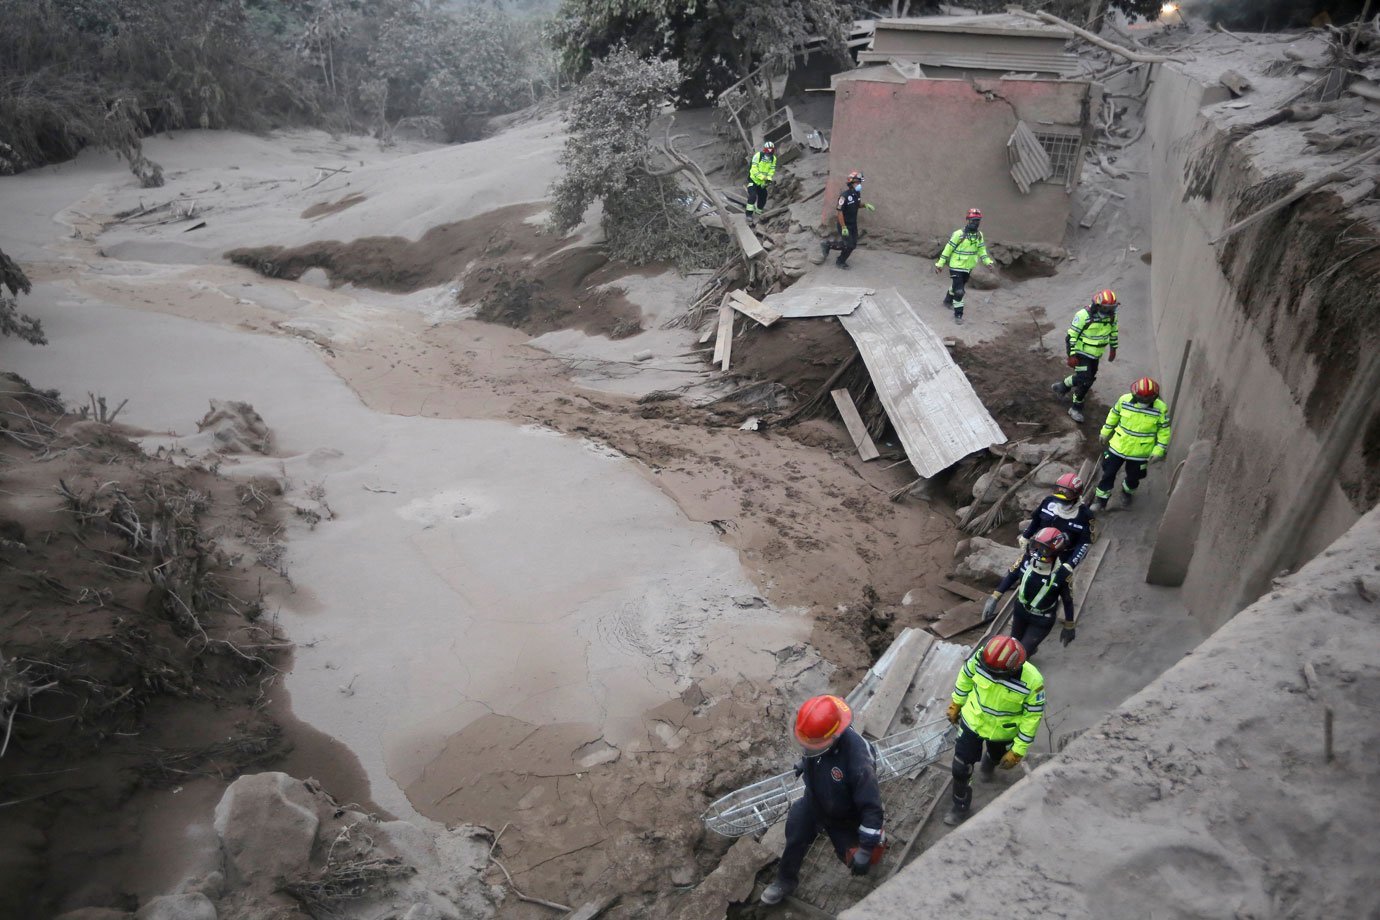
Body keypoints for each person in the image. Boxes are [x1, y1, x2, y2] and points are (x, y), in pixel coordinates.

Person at [761, 695, 885, 906]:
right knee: (795, 835)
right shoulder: (817, 735)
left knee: (860, 859)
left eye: (812, 745)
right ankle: (785, 880)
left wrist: (865, 848)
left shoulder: (859, 761)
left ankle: (875, 844)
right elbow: (812, 747)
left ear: (832, 738)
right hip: (814, 801)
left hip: (844, 816)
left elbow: (871, 807)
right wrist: (803, 761)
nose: (808, 748)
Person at [943, 636, 1044, 826]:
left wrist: (1018, 750)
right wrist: (957, 702)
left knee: (998, 758)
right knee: (960, 767)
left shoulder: (1033, 682)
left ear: (1013, 668)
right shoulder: (982, 658)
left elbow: (1033, 717)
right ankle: (960, 808)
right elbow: (966, 675)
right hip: (973, 721)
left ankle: (990, 761)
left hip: (1003, 732)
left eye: (995, 673)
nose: (990, 674)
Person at [981, 527, 1077, 657]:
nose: (1036, 551)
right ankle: (1030, 649)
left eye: (1043, 549)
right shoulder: (1025, 559)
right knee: (1013, 645)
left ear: (1055, 552)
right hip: (1020, 611)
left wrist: (1069, 625)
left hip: (1042, 619)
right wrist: (994, 597)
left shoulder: (1063, 574)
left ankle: (1028, 650)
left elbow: (1067, 600)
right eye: (1035, 545)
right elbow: (1011, 576)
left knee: (1020, 655)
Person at [1093, 376, 1173, 511]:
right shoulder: (1124, 400)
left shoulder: (1161, 408)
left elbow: (1164, 430)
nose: (1144, 402)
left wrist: (1159, 450)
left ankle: (1127, 492)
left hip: (1140, 453)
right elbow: (1114, 415)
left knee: (1134, 477)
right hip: (1118, 447)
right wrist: (1105, 432)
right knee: (1108, 473)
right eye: (1141, 399)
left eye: (1147, 400)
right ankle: (1101, 500)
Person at [1053, 289, 1120, 422]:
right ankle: (1076, 407)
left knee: (1087, 377)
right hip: (1081, 353)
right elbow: (1071, 336)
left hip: (1095, 355)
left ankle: (1062, 386)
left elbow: (1113, 332)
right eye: (1107, 308)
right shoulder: (1083, 315)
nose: (1110, 311)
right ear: (1098, 305)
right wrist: (1071, 355)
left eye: (1112, 307)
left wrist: (1113, 348)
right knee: (1085, 380)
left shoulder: (1112, 317)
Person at [1018, 472, 1096, 569]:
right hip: (1039, 548)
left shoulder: (1085, 515)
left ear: (1076, 495)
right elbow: (1036, 520)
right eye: (1059, 490)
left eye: (1067, 492)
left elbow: (1084, 543)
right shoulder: (1048, 502)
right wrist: (1025, 536)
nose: (1061, 494)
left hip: (1063, 556)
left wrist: (1070, 564)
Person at [933, 208, 995, 325]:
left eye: (977, 221)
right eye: (973, 220)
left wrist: (988, 262)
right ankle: (958, 315)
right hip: (956, 266)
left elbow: (982, 250)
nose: (975, 223)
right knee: (959, 291)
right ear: (968, 220)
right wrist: (940, 264)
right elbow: (948, 249)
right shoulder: (958, 234)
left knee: (956, 286)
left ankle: (947, 301)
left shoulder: (979, 235)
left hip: (968, 267)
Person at [820, 170, 873, 270]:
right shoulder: (844, 196)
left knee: (852, 245)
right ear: (851, 183)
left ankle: (829, 246)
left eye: (860, 182)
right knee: (848, 245)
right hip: (844, 224)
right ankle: (839, 259)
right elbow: (839, 212)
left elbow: (857, 204)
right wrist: (843, 227)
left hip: (853, 224)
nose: (859, 184)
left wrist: (865, 205)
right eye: (857, 182)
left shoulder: (857, 193)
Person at [746, 141, 777, 225]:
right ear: (765, 150)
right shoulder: (758, 156)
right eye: (768, 153)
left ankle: (758, 212)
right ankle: (748, 214)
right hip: (753, 180)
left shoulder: (773, 159)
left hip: (762, 182)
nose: (769, 155)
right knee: (752, 196)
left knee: (763, 195)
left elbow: (772, 170)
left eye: (771, 153)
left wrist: (769, 179)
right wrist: (762, 177)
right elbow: (754, 169)